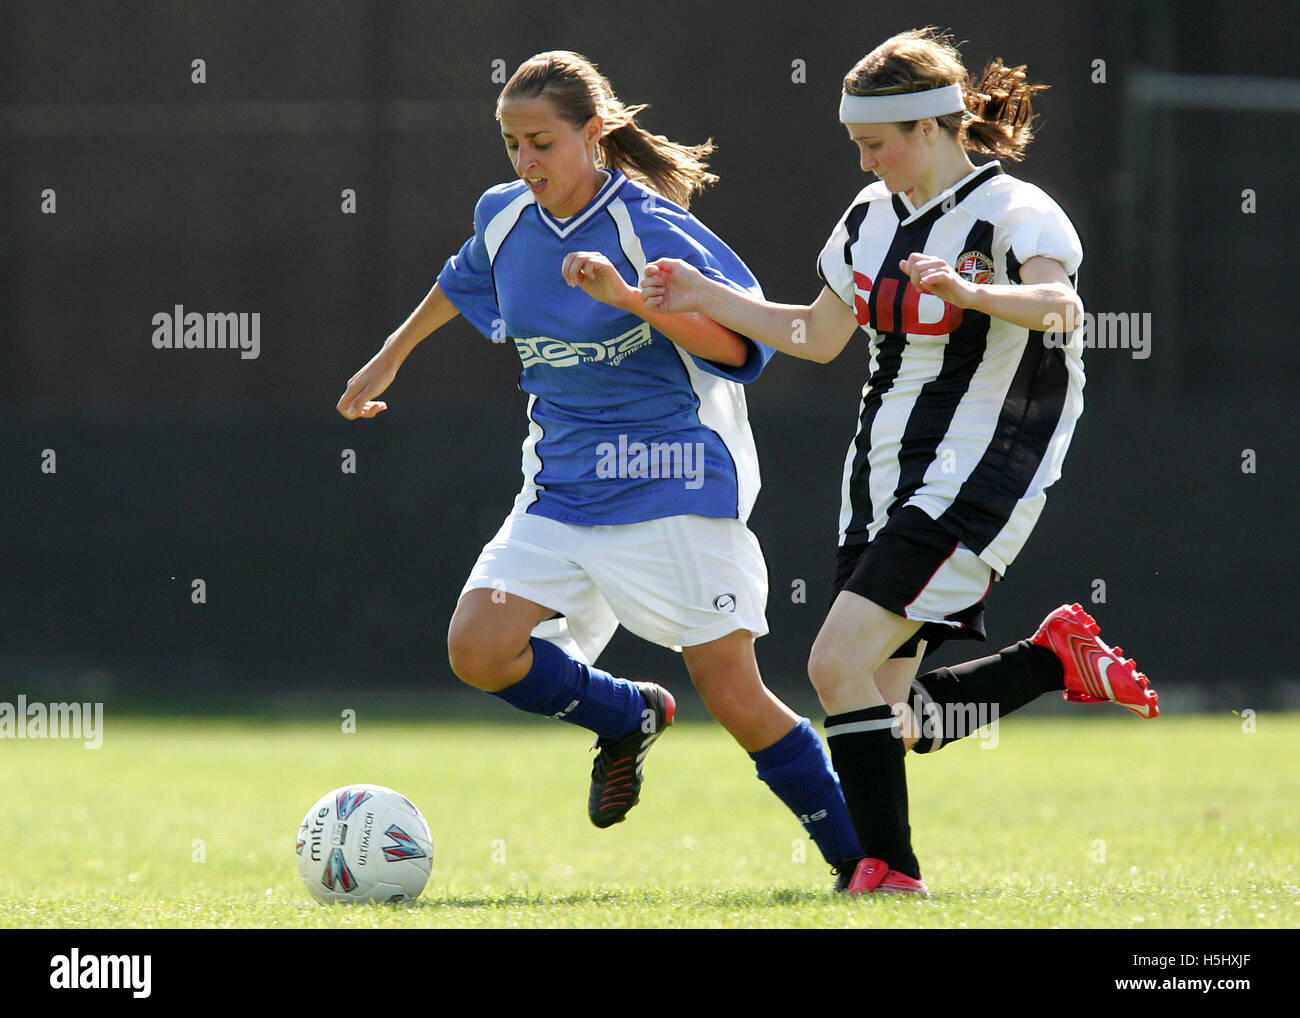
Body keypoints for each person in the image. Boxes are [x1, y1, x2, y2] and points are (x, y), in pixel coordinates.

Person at [637, 27, 1159, 895]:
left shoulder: (1017, 212)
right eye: (858, 145)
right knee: (895, 714)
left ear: (932, 127)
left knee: (831, 667)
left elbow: (1060, 307)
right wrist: (704, 297)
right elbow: (816, 333)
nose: (867, 160)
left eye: (875, 143)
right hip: (881, 469)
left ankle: (887, 875)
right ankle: (1052, 660)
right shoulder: (866, 219)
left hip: (984, 464)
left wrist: (972, 292)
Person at [336, 50, 868, 887]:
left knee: (731, 692)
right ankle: (627, 715)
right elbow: (461, 273)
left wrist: (631, 301)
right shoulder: (506, 217)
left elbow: (741, 346)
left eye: (541, 141)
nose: (524, 161)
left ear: (595, 135)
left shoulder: (649, 228)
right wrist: (388, 359)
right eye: (511, 143)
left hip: (674, 480)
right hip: (562, 485)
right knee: (479, 648)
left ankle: (861, 861)